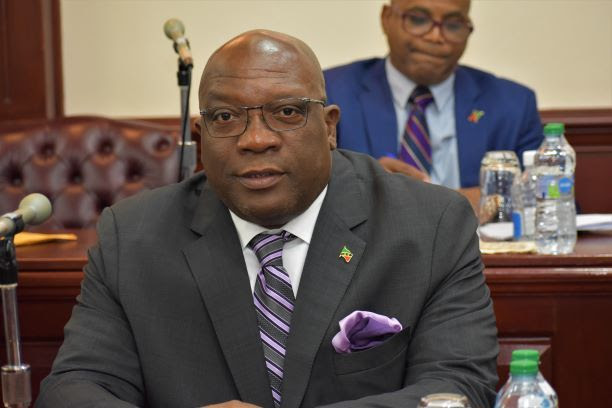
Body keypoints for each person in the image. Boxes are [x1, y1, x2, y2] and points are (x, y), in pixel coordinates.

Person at [36, 29, 498, 408]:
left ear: (330, 126)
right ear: (201, 136)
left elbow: (458, 389)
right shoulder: (133, 237)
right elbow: (73, 390)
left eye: (287, 112)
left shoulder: (429, 225)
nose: (256, 140)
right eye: (225, 117)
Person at [324, 0, 543, 191]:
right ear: (386, 18)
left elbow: (542, 196)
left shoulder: (512, 105)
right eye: (418, 19)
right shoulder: (332, 93)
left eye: (453, 24)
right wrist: (365, 185)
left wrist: (479, 201)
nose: (435, 36)